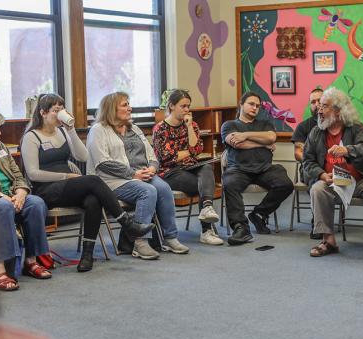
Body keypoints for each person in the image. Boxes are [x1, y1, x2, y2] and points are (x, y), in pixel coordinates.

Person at [21, 94, 154, 272]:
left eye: (62, 109)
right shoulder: (32, 137)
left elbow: (83, 156)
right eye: (55, 110)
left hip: (69, 188)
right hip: (47, 189)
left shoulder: (62, 132)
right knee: (93, 180)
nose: (60, 113)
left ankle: (87, 255)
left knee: (93, 199)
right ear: (43, 113)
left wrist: (71, 130)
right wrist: (66, 177)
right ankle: (127, 223)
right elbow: (33, 174)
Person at [86, 92, 188, 260]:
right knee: (147, 191)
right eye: (125, 105)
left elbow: (152, 156)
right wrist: (133, 174)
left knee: (163, 188)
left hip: (142, 174)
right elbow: (102, 163)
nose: (130, 108)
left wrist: (152, 169)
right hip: (112, 181)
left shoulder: (134, 128)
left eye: (129, 104)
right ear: (112, 109)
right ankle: (140, 243)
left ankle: (170, 237)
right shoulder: (98, 130)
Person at [302, 87, 363, 260]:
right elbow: (307, 161)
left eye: (324, 106)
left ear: (338, 111)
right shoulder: (316, 132)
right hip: (333, 182)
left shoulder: (357, 128)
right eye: (319, 107)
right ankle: (328, 240)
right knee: (317, 189)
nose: (319, 110)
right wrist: (322, 175)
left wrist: (346, 150)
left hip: (361, 180)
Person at [0, 106, 51, 291]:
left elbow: (17, 174)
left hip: (10, 195)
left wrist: (21, 192)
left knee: (36, 203)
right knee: (2, 207)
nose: (0, 133)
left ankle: (31, 261)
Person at [220, 91, 293, 245]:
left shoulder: (265, 123)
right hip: (238, 169)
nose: (255, 108)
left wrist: (245, 135)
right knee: (229, 184)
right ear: (241, 104)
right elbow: (237, 143)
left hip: (265, 168)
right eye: (251, 104)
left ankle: (259, 213)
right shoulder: (229, 125)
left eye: (258, 106)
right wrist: (263, 143)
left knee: (285, 184)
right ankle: (241, 227)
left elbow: (271, 137)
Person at [152, 89, 222, 245]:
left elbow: (197, 150)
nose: (186, 110)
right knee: (203, 186)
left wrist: (189, 127)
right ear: (171, 106)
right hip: (169, 172)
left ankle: (207, 208)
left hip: (191, 167)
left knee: (207, 168)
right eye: (182, 106)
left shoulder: (192, 125)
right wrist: (189, 152)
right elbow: (166, 158)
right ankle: (206, 230)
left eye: (188, 106)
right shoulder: (160, 129)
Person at [291, 87, 323, 240]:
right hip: (309, 168)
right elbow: (298, 152)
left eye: (320, 101)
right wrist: (312, 161)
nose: (316, 104)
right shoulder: (304, 127)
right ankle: (317, 222)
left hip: (332, 166)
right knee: (315, 176)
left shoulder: (336, 125)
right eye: (313, 102)